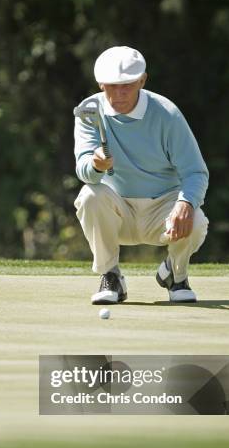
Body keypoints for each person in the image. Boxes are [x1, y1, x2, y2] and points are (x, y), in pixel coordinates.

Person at [73, 46, 209, 303]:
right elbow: (84, 172)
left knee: (197, 218)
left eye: (128, 85)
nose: (120, 93)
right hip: (117, 211)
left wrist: (185, 202)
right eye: (113, 85)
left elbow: (195, 172)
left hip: (163, 210)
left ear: (142, 80)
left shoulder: (167, 114)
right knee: (90, 195)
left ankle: (175, 274)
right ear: (101, 84)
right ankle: (110, 276)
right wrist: (96, 166)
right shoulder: (89, 111)